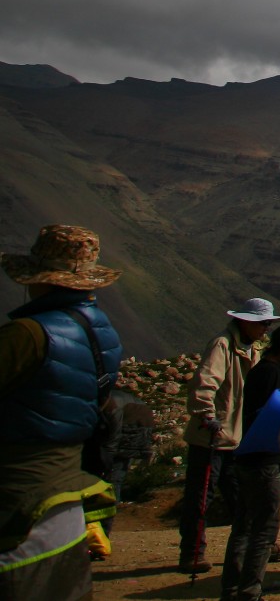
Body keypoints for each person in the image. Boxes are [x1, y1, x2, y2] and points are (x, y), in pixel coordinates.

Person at [0, 224, 124, 601]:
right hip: (68, 495)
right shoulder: (103, 334)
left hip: (17, 498)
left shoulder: (27, 335)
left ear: (38, 279)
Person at [180, 297, 280, 574]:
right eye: (262, 324)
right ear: (246, 323)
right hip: (212, 437)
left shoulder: (252, 350)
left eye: (267, 324)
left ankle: (258, 546)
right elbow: (206, 381)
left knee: (243, 497)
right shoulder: (223, 345)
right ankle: (192, 552)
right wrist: (206, 415)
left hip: (236, 437)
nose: (266, 329)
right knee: (202, 497)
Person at [220, 320, 280, 601]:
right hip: (264, 459)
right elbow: (274, 415)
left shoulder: (262, 370)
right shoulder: (272, 374)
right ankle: (250, 590)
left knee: (244, 525)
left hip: (246, 454)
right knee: (264, 528)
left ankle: (233, 586)